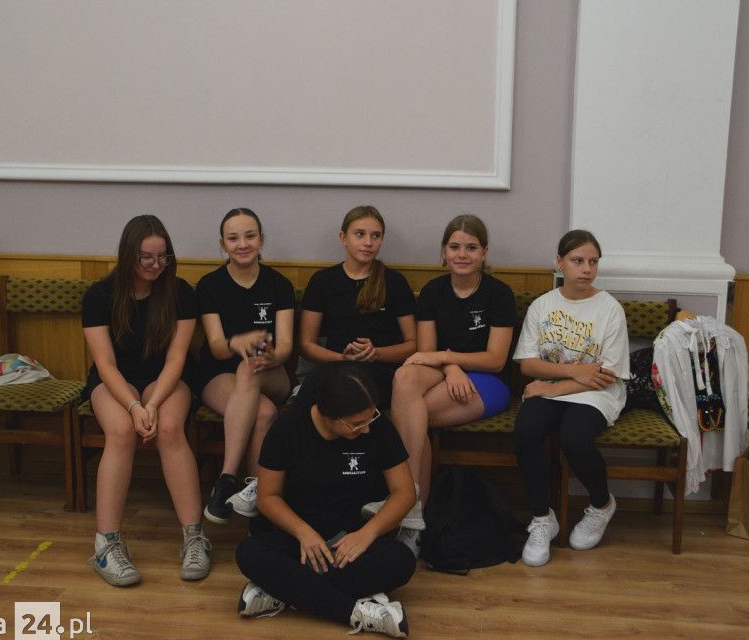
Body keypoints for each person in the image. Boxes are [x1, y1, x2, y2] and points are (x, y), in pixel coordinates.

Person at [234, 363, 416, 639]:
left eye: (370, 418)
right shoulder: (287, 429)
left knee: (402, 560)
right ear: (329, 416)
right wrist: (302, 532)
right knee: (249, 553)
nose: (366, 429)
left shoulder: (378, 427)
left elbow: (404, 492)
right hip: (300, 541)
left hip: (352, 542)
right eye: (357, 424)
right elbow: (268, 497)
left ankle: (284, 590)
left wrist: (367, 534)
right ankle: (355, 613)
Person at [82, 214, 210, 586]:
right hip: (114, 381)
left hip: (164, 379)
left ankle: (195, 537)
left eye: (162, 256)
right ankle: (106, 544)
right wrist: (134, 406)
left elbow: (176, 358)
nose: (155, 265)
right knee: (122, 431)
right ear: (128, 256)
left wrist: (151, 405)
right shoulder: (99, 296)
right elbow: (105, 364)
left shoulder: (180, 293)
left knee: (169, 429)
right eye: (146, 258)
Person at [384, 215, 515, 551]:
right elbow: (426, 353)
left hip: (489, 380)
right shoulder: (432, 291)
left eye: (471, 247)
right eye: (455, 247)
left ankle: (407, 502)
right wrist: (452, 366)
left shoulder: (499, 293)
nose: (462, 254)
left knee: (411, 414)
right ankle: (412, 507)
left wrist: (450, 360)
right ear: (444, 251)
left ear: (484, 253)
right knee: (404, 376)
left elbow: (496, 359)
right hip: (446, 370)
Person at [513, 229, 630, 566]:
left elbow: (606, 375)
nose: (587, 269)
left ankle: (601, 504)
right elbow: (528, 364)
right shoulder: (543, 305)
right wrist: (574, 371)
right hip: (554, 385)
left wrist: (553, 387)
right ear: (559, 262)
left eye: (593, 261)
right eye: (578, 260)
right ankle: (542, 518)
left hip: (595, 392)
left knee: (574, 437)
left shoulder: (610, 309)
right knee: (526, 431)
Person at [197, 208, 294, 524]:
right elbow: (216, 346)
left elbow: (286, 346)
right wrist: (236, 343)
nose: (242, 244)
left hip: (272, 373)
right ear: (223, 244)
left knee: (250, 367)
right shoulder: (210, 285)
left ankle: (226, 478)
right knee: (263, 413)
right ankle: (256, 501)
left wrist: (270, 356)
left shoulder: (278, 284)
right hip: (220, 373)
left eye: (250, 236)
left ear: (261, 240)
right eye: (233, 238)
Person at [297, 205, 416, 409]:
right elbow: (307, 345)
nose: (368, 242)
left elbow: (413, 344)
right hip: (334, 367)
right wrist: (342, 358)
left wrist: (375, 352)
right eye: (360, 234)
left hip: (381, 372)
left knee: (349, 387)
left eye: (376, 236)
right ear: (343, 238)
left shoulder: (394, 282)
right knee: (319, 387)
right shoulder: (323, 281)